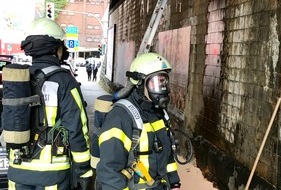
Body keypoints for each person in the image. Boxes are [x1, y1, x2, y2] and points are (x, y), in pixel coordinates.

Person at [8, 18, 93, 190]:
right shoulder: (64, 81)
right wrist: (84, 169)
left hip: (17, 171)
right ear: (57, 48)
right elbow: (77, 128)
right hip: (52, 174)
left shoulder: (16, 81)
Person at [96, 52, 181, 190]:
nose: (163, 89)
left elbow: (167, 155)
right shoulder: (121, 117)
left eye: (163, 81)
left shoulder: (159, 114)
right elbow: (109, 173)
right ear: (139, 83)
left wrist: (174, 182)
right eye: (155, 83)